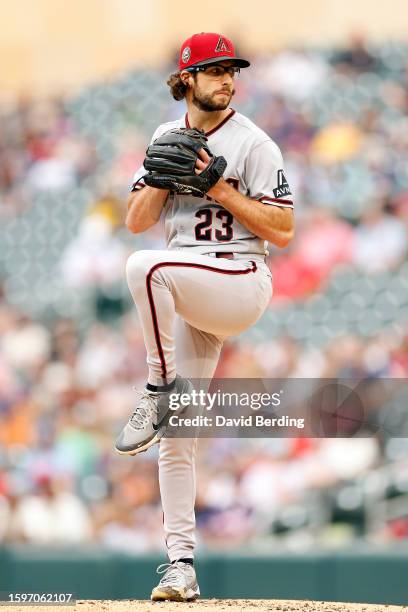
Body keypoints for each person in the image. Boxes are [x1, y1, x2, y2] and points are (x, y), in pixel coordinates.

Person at [115, 32, 295, 602]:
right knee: (177, 439)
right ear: (187, 78)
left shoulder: (255, 143)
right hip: (190, 289)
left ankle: (155, 388)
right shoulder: (166, 136)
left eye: (232, 69)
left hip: (240, 278)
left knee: (145, 269)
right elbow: (137, 219)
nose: (227, 78)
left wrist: (216, 185)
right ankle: (180, 566)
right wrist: (165, 176)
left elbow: (284, 230)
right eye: (214, 70)